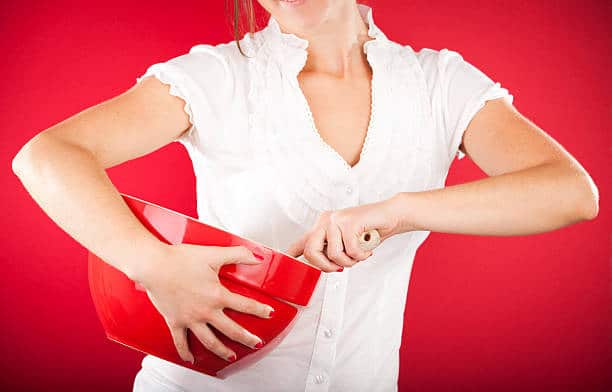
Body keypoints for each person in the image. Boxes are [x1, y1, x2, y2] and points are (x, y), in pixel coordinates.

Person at [11, 0, 599, 391]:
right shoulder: (218, 77)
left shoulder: (438, 85)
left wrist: (399, 210)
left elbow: (570, 191)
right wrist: (153, 264)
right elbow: (46, 155)